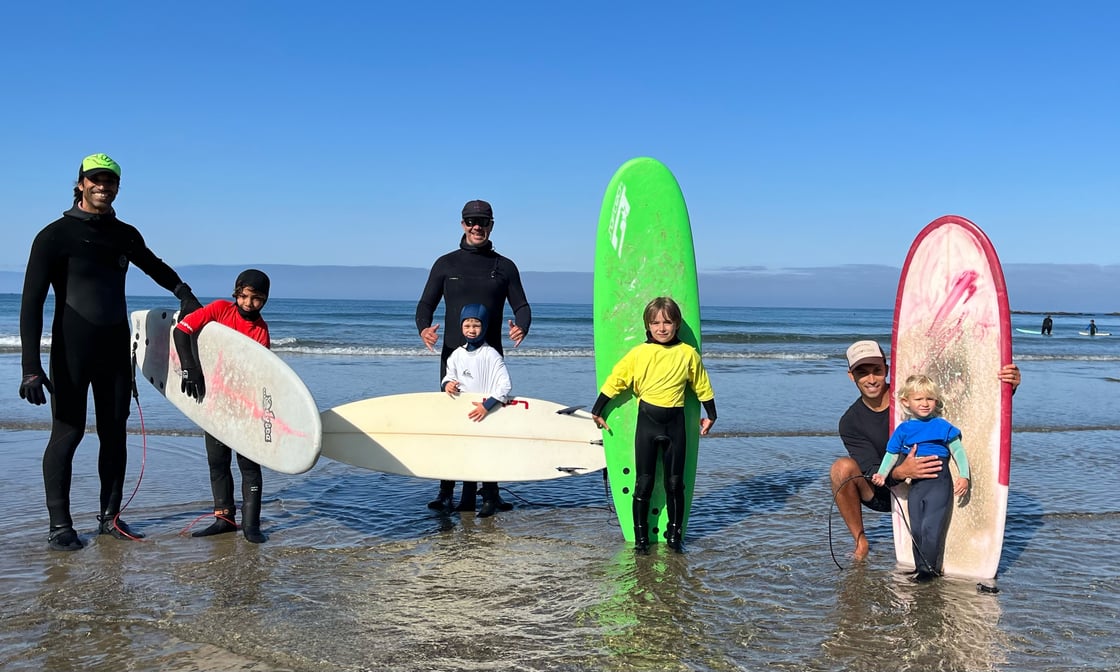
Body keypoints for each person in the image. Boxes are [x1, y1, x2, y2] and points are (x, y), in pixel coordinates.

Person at [19, 153, 203, 552]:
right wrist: (30, 367)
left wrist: (184, 294)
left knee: (114, 435)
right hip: (71, 349)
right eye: (96, 179)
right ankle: (60, 526)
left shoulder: (124, 234)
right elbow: (31, 303)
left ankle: (109, 519)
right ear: (81, 182)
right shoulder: (53, 236)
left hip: (115, 350)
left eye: (110, 180)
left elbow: (155, 266)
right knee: (67, 434)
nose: (103, 186)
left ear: (118, 186)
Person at [829, 340, 1020, 561]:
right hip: (885, 489)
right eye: (862, 373)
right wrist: (902, 471)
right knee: (841, 469)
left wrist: (1008, 388)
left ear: (886, 370)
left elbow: (965, 405)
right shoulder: (851, 422)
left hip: (933, 482)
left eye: (877, 371)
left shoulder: (913, 397)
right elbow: (870, 469)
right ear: (852, 376)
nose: (871, 379)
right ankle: (861, 543)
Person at [416, 199, 531, 515]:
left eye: (483, 221)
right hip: (454, 357)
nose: (476, 226)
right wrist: (424, 329)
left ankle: (490, 494)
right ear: (462, 224)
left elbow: (521, 305)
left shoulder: (504, 266)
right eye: (470, 221)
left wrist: (522, 326)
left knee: (490, 421)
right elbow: (425, 304)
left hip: (490, 356)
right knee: (451, 424)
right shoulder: (446, 264)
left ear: (491, 225)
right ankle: (445, 492)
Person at [590, 296, 717, 554]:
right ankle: (640, 539)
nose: (661, 328)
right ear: (647, 325)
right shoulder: (638, 354)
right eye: (655, 322)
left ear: (677, 324)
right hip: (647, 425)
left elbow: (701, 385)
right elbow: (617, 380)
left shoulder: (687, 354)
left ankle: (674, 536)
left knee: (674, 484)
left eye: (668, 322)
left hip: (676, 425)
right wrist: (597, 408)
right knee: (643, 483)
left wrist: (711, 414)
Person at [173, 269, 272, 543]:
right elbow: (182, 332)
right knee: (217, 462)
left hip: (244, 406)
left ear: (265, 300)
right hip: (214, 401)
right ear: (236, 293)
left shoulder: (260, 330)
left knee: (249, 465)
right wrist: (189, 368)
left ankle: (251, 525)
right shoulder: (218, 310)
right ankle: (224, 519)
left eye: (257, 299)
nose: (249, 304)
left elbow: (261, 372)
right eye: (245, 296)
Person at [871, 374, 969, 580]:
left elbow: (958, 451)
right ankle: (920, 568)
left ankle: (928, 571)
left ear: (936, 401)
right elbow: (891, 454)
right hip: (916, 486)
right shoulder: (903, 430)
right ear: (906, 402)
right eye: (919, 399)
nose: (925, 404)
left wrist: (964, 476)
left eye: (930, 399)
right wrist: (882, 473)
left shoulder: (941, 426)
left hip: (938, 483)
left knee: (931, 527)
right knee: (916, 528)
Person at [433, 304, 514, 517]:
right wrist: (447, 385)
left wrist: (486, 407)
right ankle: (466, 501)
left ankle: (489, 499)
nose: (471, 329)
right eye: (467, 325)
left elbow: (505, 386)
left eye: (476, 325)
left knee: (486, 456)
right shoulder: (456, 356)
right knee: (466, 456)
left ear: (484, 327)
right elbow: (449, 376)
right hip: (463, 415)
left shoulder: (491, 355)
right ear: (461, 327)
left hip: (487, 413)